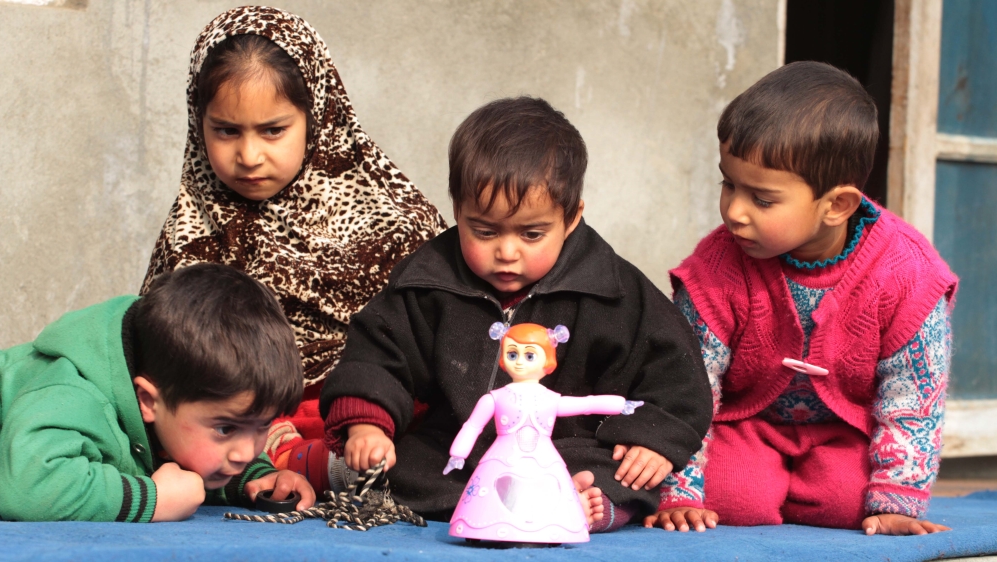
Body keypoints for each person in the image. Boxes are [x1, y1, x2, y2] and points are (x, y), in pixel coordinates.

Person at [320, 96, 713, 530]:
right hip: (460, 448)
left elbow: (674, 373)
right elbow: (377, 353)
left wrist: (653, 440)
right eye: (484, 231)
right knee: (399, 471)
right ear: (457, 212)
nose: (507, 253)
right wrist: (367, 426)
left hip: (572, 447)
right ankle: (541, 507)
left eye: (532, 234)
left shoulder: (614, 290)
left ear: (571, 217)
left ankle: (587, 508)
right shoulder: (428, 280)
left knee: (619, 476)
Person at [140, 6, 447, 492]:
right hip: (254, 426)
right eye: (225, 130)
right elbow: (161, 363)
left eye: (272, 130)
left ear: (318, 116)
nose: (249, 156)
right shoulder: (191, 237)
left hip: (377, 409)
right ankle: (313, 467)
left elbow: (441, 343)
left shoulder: (396, 220)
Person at [646, 61, 958, 536]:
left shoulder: (908, 272)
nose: (734, 211)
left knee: (849, 507)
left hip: (847, 433)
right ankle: (759, 484)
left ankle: (825, 489)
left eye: (762, 199)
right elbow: (689, 379)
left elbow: (915, 394)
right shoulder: (718, 264)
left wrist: (897, 496)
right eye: (728, 184)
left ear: (837, 205)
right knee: (733, 499)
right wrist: (682, 491)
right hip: (746, 424)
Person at [0, 263, 315, 522]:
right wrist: (152, 499)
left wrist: (256, 479)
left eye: (262, 426)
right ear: (148, 401)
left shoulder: (175, 396)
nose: (245, 452)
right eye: (226, 428)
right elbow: (29, 488)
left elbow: (187, 453)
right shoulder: (71, 393)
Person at [444, 322, 644, 543]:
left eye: (529, 356)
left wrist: (620, 404)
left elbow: (586, 405)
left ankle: (546, 528)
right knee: (492, 492)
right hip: (502, 457)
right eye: (512, 354)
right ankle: (481, 529)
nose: (519, 361)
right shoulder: (494, 398)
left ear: (547, 360)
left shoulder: (550, 399)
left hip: (543, 458)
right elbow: (472, 426)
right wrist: (458, 454)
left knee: (544, 489)